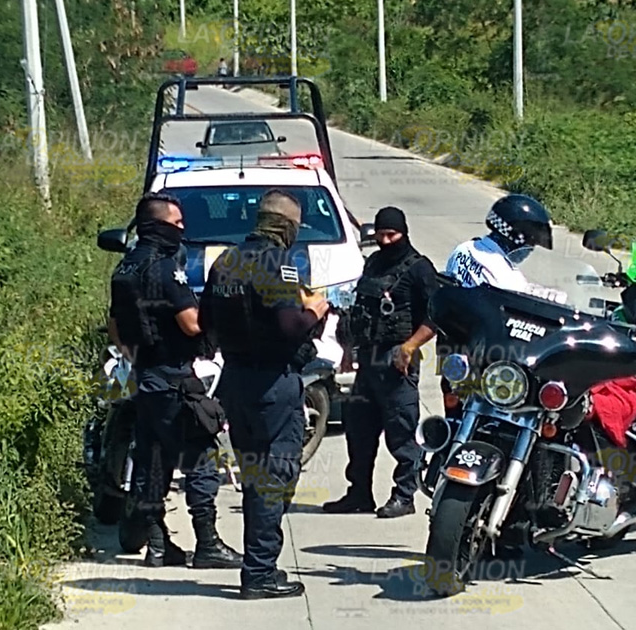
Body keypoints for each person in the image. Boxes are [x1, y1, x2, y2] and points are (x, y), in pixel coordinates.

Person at [199, 189, 330, 599]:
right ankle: (259, 573)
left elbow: (205, 320)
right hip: (274, 383)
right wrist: (316, 312)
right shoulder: (279, 264)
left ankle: (259, 565)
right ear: (288, 228)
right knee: (274, 478)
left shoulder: (225, 261)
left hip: (236, 381)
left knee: (257, 478)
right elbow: (292, 327)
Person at [108, 192, 243, 568]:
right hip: (174, 378)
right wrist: (215, 309)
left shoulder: (125, 269)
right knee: (200, 459)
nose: (183, 230)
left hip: (145, 378)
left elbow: (115, 325)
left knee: (153, 463)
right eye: (177, 224)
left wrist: (136, 356)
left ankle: (157, 545)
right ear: (158, 226)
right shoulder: (166, 268)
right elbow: (191, 323)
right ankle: (208, 546)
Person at [322, 207, 440, 518]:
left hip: (397, 361)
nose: (386, 240)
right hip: (368, 360)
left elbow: (435, 316)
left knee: (401, 434)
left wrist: (410, 346)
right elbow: (358, 307)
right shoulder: (373, 263)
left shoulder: (419, 268)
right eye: (381, 234)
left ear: (404, 233)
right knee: (359, 431)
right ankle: (359, 493)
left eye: (392, 235)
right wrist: (349, 348)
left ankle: (404, 495)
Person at [441, 194, 562, 418]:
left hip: (456, 349)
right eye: (530, 243)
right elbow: (523, 303)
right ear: (515, 237)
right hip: (490, 360)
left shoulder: (465, 249)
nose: (530, 249)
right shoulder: (502, 271)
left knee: (455, 419)